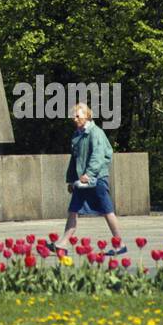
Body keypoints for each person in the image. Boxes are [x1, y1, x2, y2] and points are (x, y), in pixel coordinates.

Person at [53, 102, 127, 255]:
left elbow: (98, 156)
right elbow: (75, 160)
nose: (74, 119)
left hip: (97, 179)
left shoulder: (96, 133)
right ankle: (63, 243)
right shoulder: (77, 135)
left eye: (77, 115)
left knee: (107, 211)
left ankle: (120, 243)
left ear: (87, 115)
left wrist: (90, 174)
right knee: (73, 210)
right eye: (72, 116)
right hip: (82, 181)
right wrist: (71, 179)